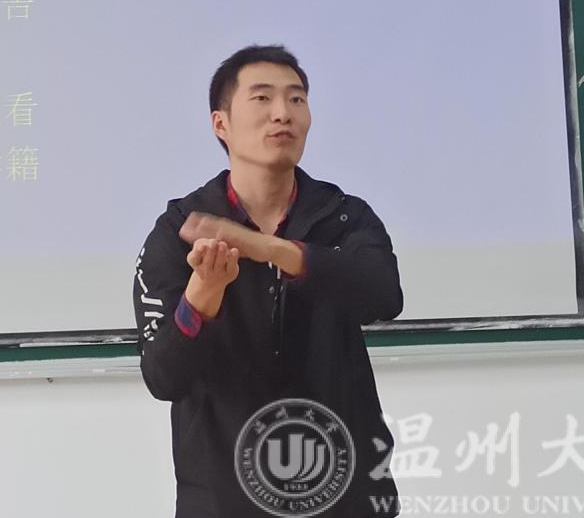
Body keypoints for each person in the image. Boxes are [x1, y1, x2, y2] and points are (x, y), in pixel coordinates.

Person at [132, 45, 403, 518]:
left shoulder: (344, 216)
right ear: (221, 124)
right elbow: (164, 377)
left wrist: (268, 248)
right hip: (224, 499)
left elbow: (383, 294)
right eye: (262, 98)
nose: (283, 113)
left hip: (345, 493)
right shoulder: (180, 229)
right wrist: (203, 294)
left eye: (297, 99)